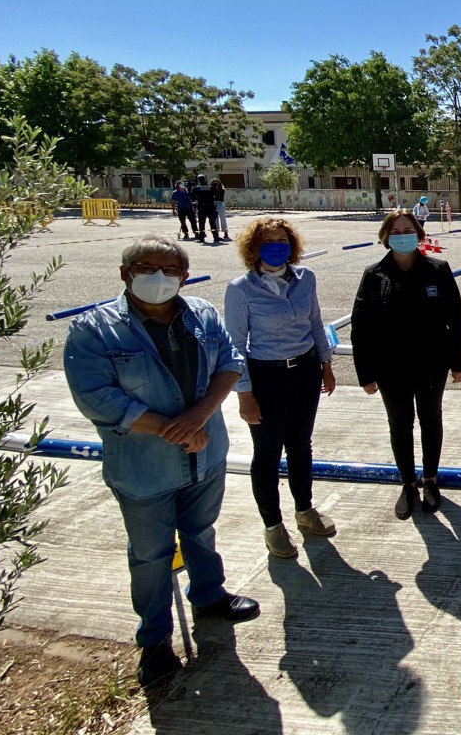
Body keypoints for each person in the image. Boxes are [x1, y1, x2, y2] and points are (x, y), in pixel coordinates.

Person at [63, 236, 259, 689]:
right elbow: (98, 399)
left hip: (204, 455)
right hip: (143, 467)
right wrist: (175, 428)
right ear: (125, 273)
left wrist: (200, 416)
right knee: (151, 556)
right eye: (147, 267)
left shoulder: (203, 315)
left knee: (201, 532)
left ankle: (209, 596)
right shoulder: (95, 330)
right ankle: (154, 641)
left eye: (170, 270)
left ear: (184, 277)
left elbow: (229, 362)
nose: (159, 277)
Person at [224, 217, 337, 559]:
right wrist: (244, 393)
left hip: (303, 372)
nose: (277, 246)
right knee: (268, 454)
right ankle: (273, 526)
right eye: (269, 241)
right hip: (265, 377)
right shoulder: (240, 289)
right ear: (254, 248)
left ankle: (305, 510)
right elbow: (235, 344)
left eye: (283, 240)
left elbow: (316, 322)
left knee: (301, 446)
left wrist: (326, 365)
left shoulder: (306, 279)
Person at [351, 210, 461, 518]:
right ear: (386, 237)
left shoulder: (437, 270)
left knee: (431, 420)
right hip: (390, 367)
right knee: (400, 424)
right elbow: (360, 327)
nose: (402, 235)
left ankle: (430, 478)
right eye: (396, 231)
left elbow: (455, 319)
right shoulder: (374, 274)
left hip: (431, 365)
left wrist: (458, 362)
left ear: (418, 234)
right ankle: (407, 482)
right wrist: (365, 373)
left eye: (408, 229)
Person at [192, 175, 219, 244]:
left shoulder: (197, 187)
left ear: (199, 180)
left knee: (201, 223)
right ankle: (216, 237)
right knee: (212, 222)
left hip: (201, 207)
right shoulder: (210, 186)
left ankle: (201, 238)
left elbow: (192, 196)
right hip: (210, 207)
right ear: (205, 179)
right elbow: (216, 193)